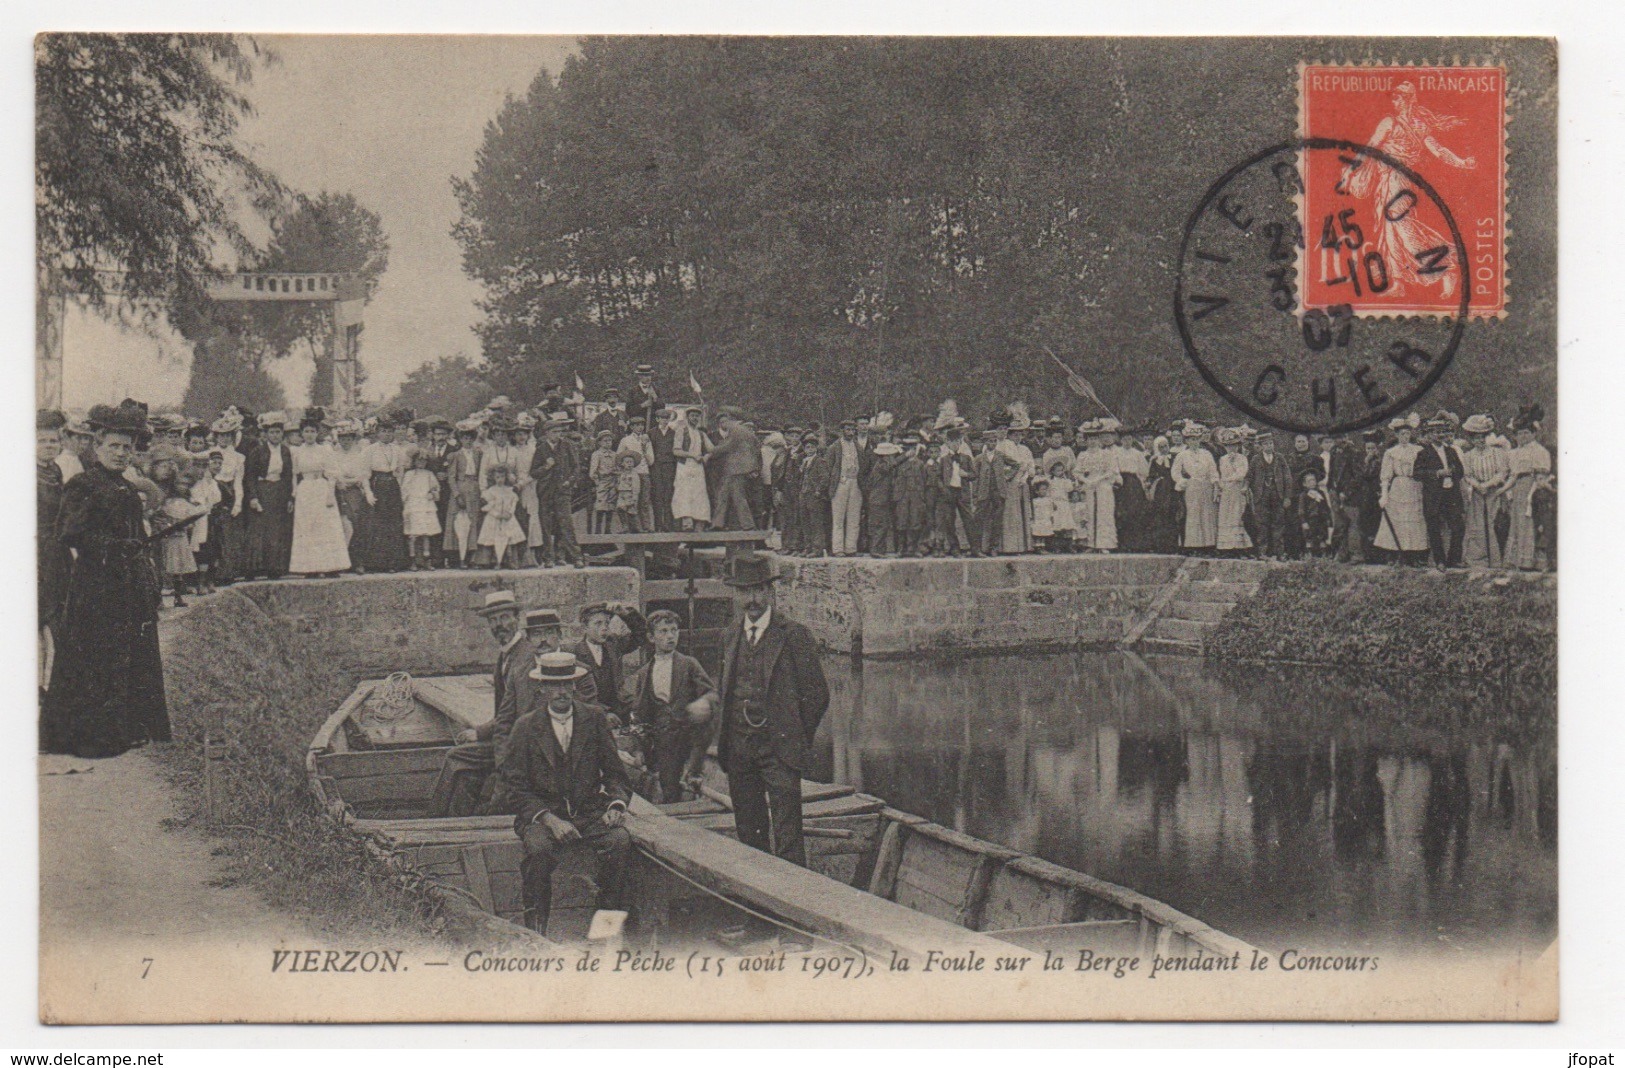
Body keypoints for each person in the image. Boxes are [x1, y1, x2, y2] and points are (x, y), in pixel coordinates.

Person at [42, 400, 171, 759]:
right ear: (97, 447)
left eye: (126, 448)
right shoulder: (83, 484)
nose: (120, 453)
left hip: (126, 583)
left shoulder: (125, 486)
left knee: (126, 654)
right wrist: (116, 546)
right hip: (96, 585)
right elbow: (69, 533)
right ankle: (93, 735)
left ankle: (126, 727)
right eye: (113, 446)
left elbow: (132, 529)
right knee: (98, 656)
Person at [500, 651, 634, 936]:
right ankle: (536, 933)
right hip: (543, 817)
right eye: (554, 685)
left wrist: (616, 805)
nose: (561, 691)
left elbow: (615, 774)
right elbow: (514, 787)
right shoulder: (525, 727)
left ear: (575, 686)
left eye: (567, 684)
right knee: (538, 851)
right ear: (543, 689)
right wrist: (550, 820)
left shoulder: (594, 719)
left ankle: (606, 931)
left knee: (619, 841)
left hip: (588, 812)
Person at [715, 553, 829, 867]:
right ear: (736, 594)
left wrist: (792, 734)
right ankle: (757, 906)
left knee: (788, 834)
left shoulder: (793, 635)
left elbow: (816, 696)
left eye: (757, 590)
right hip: (739, 747)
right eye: (744, 591)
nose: (751, 599)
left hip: (779, 748)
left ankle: (794, 903)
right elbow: (725, 690)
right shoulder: (730, 635)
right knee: (749, 833)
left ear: (769, 592)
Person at [428, 591, 529, 817]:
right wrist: (482, 731)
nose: (498, 625)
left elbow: (521, 716)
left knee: (456, 757)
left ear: (516, 618)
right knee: (465, 775)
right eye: (493, 620)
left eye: (504, 617)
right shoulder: (506, 655)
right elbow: (505, 711)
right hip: (504, 737)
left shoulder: (524, 658)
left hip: (516, 746)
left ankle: (434, 819)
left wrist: (483, 734)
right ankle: (455, 823)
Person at [627, 609, 718, 803]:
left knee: (695, 790)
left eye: (674, 630)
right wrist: (638, 749)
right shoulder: (645, 673)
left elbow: (712, 694)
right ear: (651, 637)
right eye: (663, 631)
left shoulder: (688, 664)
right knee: (670, 792)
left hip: (691, 740)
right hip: (664, 742)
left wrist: (704, 702)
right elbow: (639, 714)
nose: (670, 636)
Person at [289, 414, 350, 578]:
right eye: (306, 431)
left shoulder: (325, 450)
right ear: (301, 433)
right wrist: (294, 493)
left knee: (327, 527)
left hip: (322, 489)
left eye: (313, 431)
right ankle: (311, 567)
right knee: (308, 527)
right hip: (305, 490)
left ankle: (332, 566)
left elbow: (331, 474)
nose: (309, 434)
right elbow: (294, 474)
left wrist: (330, 495)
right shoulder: (296, 452)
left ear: (317, 433)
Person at [238, 412, 295, 579]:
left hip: (279, 492)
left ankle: (274, 567)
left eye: (278, 432)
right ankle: (252, 569)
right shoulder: (257, 451)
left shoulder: (286, 451)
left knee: (276, 530)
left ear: (282, 434)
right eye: (272, 432)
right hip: (262, 490)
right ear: (266, 434)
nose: (275, 435)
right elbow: (250, 476)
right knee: (258, 529)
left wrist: (289, 498)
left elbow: (288, 475)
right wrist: (253, 497)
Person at [574, 602, 648, 728]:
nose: (604, 628)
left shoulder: (613, 644)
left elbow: (643, 634)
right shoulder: (575, 653)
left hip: (620, 710)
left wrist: (625, 614)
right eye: (598, 623)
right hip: (591, 713)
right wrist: (603, 713)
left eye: (607, 623)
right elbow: (579, 695)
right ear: (585, 627)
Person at [37, 411, 72, 667]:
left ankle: (54, 677)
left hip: (55, 548)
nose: (49, 446)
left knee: (58, 606)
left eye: (53, 441)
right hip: (36, 548)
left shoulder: (56, 470)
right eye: (42, 441)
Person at [531, 414, 585, 567]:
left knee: (566, 523)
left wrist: (569, 481)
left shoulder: (567, 446)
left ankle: (576, 557)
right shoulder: (541, 449)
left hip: (563, 491)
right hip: (546, 491)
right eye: (554, 432)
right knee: (546, 525)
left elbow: (576, 467)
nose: (557, 435)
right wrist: (546, 467)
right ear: (547, 433)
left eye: (559, 432)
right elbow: (533, 472)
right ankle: (548, 557)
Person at [1504, 404, 1553, 571]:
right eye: (1519, 433)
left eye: (1526, 432)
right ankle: (1516, 559)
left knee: (1529, 521)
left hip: (1532, 487)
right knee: (1516, 521)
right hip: (1517, 487)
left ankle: (1529, 560)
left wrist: (1533, 490)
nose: (1522, 436)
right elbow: (1512, 474)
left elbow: (1541, 475)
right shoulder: (1514, 453)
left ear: (1533, 433)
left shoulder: (1539, 451)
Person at [1375, 416, 1429, 565]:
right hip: (1398, 486)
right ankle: (1396, 554)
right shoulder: (1391, 452)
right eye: (1402, 434)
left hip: (1415, 485)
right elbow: (1385, 476)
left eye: (1407, 433)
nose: (1405, 437)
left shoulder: (1419, 450)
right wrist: (1384, 495)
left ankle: (1414, 555)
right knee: (1397, 520)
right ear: (1396, 435)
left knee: (1414, 520)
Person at [1459, 414, 1508, 569]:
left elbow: (1502, 472)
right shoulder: (1468, 456)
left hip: (1494, 490)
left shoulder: (1496, 453)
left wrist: (1488, 484)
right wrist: (1478, 486)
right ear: (1471, 439)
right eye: (1476, 438)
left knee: (1493, 523)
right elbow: (1467, 475)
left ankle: (1495, 559)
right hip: (1477, 493)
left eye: (1482, 437)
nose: (1479, 441)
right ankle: (1479, 559)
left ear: (1486, 437)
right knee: (1477, 524)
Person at [1416, 416, 1466, 568]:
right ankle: (1440, 560)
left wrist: (1453, 472)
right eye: (1436, 432)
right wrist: (1437, 473)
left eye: (1442, 432)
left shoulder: (1451, 451)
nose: (1439, 435)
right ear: (1430, 434)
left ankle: (1454, 559)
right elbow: (1417, 473)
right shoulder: (1423, 453)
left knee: (1458, 526)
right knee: (1434, 528)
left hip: (1451, 494)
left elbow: (1461, 471)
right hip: (1434, 496)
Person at [707, 406, 761, 530]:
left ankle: (748, 525)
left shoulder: (735, 430)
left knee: (737, 496)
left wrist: (711, 450)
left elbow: (727, 446)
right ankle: (718, 523)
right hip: (737, 469)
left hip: (736, 469)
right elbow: (756, 447)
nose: (724, 424)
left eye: (725, 421)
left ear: (732, 419)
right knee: (723, 495)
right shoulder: (745, 431)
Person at [1171, 422, 1219, 554]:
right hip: (1191, 487)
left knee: (1207, 515)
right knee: (1193, 515)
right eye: (1192, 439)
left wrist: (1215, 483)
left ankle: (1208, 544)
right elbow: (1175, 472)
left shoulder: (1206, 454)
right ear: (1187, 440)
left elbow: (1213, 470)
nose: (1195, 442)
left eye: (1197, 439)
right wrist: (1182, 481)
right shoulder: (1182, 455)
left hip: (1206, 486)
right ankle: (1193, 545)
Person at [1073, 421, 1120, 552]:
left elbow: (1112, 471)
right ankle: (1091, 544)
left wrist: (1098, 479)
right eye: (1090, 439)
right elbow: (1076, 471)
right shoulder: (1083, 455)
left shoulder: (1106, 454)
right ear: (1086, 441)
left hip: (1103, 485)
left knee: (1104, 513)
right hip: (1089, 486)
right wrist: (1085, 480)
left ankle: (1104, 544)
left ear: (1098, 440)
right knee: (1090, 513)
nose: (1092, 442)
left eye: (1095, 439)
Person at [934, 420, 979, 557]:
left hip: (963, 492)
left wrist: (966, 475)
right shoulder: (943, 459)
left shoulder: (966, 458)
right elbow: (937, 477)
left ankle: (975, 549)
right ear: (947, 443)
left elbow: (974, 474)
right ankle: (955, 548)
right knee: (949, 521)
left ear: (960, 442)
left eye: (957, 441)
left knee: (969, 520)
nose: (954, 444)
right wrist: (943, 490)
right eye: (951, 441)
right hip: (949, 493)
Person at [443, 420, 484, 567]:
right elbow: (451, 477)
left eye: (470, 438)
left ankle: (472, 556)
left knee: (474, 520)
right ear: (460, 439)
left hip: (474, 487)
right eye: (465, 438)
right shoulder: (456, 455)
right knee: (458, 521)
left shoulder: (478, 453)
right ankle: (457, 556)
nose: (467, 441)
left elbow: (481, 472)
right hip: (460, 488)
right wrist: (456, 494)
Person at [1247, 432, 1293, 560]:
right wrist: (1246, 487)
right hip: (1261, 496)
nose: (1269, 446)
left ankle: (1279, 552)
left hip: (1278, 495)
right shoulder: (1255, 459)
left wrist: (1287, 497)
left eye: (1271, 443)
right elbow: (1249, 476)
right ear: (1261, 446)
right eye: (1266, 444)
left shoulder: (1280, 458)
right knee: (1261, 524)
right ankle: (1262, 552)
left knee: (1279, 523)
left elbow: (1288, 478)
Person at [826, 419, 867, 556]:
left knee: (854, 517)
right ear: (842, 431)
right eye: (848, 430)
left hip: (855, 483)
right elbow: (828, 467)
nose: (850, 432)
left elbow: (864, 466)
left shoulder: (858, 447)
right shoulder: (834, 447)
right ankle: (838, 549)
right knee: (838, 518)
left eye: (853, 430)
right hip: (840, 483)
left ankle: (851, 548)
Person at [671, 406, 713, 532]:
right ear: (687, 417)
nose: (695, 418)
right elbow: (676, 451)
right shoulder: (681, 430)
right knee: (684, 493)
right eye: (692, 416)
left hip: (698, 467)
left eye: (697, 416)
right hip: (684, 466)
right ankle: (686, 522)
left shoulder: (701, 433)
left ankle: (700, 522)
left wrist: (706, 456)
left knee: (699, 493)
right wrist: (692, 455)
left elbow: (712, 449)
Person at [401, 448, 443, 570]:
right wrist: (407, 503)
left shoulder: (429, 474)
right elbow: (404, 489)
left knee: (426, 534)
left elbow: (436, 488)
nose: (421, 463)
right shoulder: (409, 474)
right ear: (414, 461)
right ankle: (413, 560)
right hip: (413, 506)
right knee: (413, 535)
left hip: (426, 506)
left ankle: (426, 559)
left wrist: (433, 493)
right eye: (419, 460)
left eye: (424, 461)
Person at [478, 464, 526, 569]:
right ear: (493, 478)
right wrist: (496, 514)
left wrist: (509, 513)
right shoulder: (490, 491)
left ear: (506, 477)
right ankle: (495, 561)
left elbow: (513, 503)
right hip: (494, 518)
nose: (500, 480)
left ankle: (510, 561)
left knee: (509, 539)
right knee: (494, 539)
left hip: (508, 518)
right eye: (497, 477)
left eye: (502, 477)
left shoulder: (510, 491)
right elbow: (487, 507)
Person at [1215, 428, 1253, 555]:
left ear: (1238, 446)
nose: (1231, 449)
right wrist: (1221, 483)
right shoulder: (1222, 459)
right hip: (1226, 491)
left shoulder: (1242, 458)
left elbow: (1241, 474)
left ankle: (1240, 546)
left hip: (1237, 490)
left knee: (1238, 515)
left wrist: (1229, 478)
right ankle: (1226, 547)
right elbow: (1221, 474)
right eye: (1228, 446)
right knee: (1226, 516)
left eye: (1234, 446)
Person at [648, 407, 679, 532]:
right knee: (657, 496)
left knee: (669, 496)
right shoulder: (651, 433)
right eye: (662, 418)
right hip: (656, 467)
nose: (665, 421)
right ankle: (658, 525)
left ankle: (668, 525)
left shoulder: (674, 433)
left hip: (670, 467)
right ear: (657, 419)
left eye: (667, 418)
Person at [1293, 470, 1335, 558]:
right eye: (1309, 481)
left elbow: (1326, 507)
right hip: (1310, 520)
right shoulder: (1303, 495)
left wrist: (1329, 518)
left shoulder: (1321, 493)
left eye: (1314, 480)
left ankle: (1323, 556)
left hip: (1321, 519)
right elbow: (1301, 510)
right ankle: (1310, 556)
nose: (1312, 483)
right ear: (1304, 484)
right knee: (1310, 538)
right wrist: (1304, 521)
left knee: (1322, 537)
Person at [588, 429, 620, 534]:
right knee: (601, 506)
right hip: (602, 482)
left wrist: (616, 475)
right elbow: (592, 472)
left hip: (613, 481)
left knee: (611, 506)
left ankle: (607, 529)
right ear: (600, 442)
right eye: (605, 440)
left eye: (610, 440)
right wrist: (597, 482)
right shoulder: (597, 454)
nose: (608, 443)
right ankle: (598, 530)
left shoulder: (614, 454)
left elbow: (617, 468)